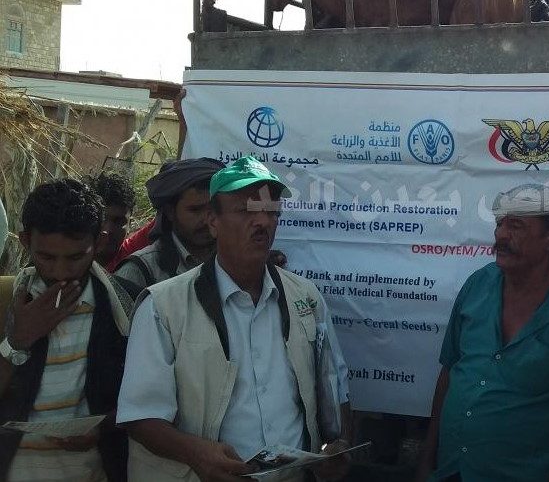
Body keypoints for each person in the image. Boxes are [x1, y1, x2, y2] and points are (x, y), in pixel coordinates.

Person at [116, 156, 351, 482]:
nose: (262, 222)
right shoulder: (163, 306)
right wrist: (195, 453)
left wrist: (337, 446)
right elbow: (140, 416)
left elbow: (335, 388)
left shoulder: (306, 297)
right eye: (245, 210)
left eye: (270, 211)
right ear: (213, 221)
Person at [416, 183, 549, 482]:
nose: (501, 235)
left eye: (516, 226)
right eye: (500, 224)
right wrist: (426, 462)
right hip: (452, 471)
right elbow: (450, 374)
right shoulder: (478, 285)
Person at [0, 179, 133, 481]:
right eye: (46, 257)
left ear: (99, 242)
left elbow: (148, 401)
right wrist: (17, 342)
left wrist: (103, 427)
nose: (60, 272)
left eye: (75, 257)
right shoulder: (6, 301)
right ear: (24, 241)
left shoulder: (128, 306)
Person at [114, 157, 224, 291]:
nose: (207, 220)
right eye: (195, 210)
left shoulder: (236, 260)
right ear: (170, 212)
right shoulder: (139, 271)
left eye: (213, 209)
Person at [86, 172, 137, 271]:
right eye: (101, 219)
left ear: (129, 224)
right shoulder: (62, 256)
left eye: (118, 222)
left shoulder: (133, 258)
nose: (107, 230)